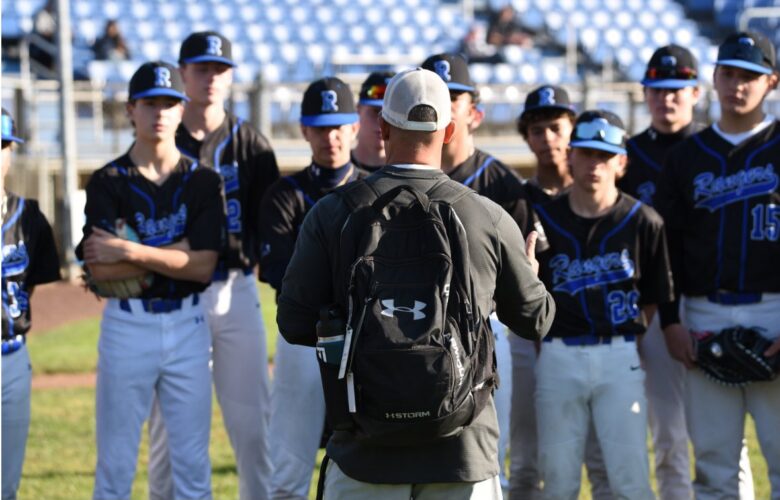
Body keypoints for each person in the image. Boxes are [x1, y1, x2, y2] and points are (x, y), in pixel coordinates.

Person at [277, 67, 554, 498]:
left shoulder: (332, 213)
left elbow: (293, 322)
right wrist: (530, 278)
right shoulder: (488, 215)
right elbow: (536, 320)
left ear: (383, 127)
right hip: (462, 452)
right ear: (448, 131)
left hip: (364, 450)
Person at [145, 31, 280, 500]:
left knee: (253, 424)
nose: (211, 78)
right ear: (183, 74)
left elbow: (272, 223)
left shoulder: (252, 144)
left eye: (220, 69)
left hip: (236, 291)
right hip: (177, 294)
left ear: (230, 78)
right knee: (169, 426)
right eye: (201, 68)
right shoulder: (162, 140)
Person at [79, 61, 223, 500]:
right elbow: (98, 271)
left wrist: (130, 251)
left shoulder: (203, 180)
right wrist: (176, 253)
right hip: (127, 325)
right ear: (129, 109)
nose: (160, 112)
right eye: (149, 103)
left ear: (182, 111)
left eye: (169, 103)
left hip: (188, 326)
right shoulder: (107, 180)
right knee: (116, 465)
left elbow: (204, 267)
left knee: (193, 468)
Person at [657, 31, 780, 499]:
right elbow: (666, 245)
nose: (737, 85)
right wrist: (671, 321)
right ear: (713, 78)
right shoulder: (687, 156)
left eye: (749, 75)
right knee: (712, 465)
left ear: (771, 81)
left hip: (775, 312)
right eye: (728, 73)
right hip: (703, 313)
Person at [533, 110, 673, 500]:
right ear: (570, 156)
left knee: (630, 480)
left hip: (619, 353)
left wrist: (629, 340)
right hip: (559, 355)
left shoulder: (644, 220)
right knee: (558, 481)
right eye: (587, 153)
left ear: (621, 162)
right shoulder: (542, 219)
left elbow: (654, 296)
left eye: (605, 155)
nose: (595, 165)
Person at [422, 51, 524, 491]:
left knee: (481, 453)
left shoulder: (501, 182)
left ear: (474, 113)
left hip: (487, 327)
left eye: (455, 96)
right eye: (436, 94)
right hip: (418, 326)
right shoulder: (403, 177)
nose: (445, 103)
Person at [261, 77, 365, 500]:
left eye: (339, 125)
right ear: (305, 130)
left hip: (365, 338)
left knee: (365, 460)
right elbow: (278, 273)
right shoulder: (285, 194)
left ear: (356, 127)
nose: (331, 136)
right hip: (302, 338)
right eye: (321, 126)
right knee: (288, 467)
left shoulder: (375, 188)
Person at [512, 86, 613, 500]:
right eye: (538, 130)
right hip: (529, 337)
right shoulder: (518, 200)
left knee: (603, 456)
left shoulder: (604, 199)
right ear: (528, 138)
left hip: (593, 337)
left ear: (573, 132)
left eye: (557, 127)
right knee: (526, 460)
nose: (548, 138)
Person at [1, 108, 61, 500]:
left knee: (6, 484)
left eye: (2, 145)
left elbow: (29, 288)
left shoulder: (31, 217)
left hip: (11, 359)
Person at [351, 71, 394, 173]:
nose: (383, 121)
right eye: (376, 111)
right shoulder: (336, 170)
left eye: (392, 113)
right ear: (358, 110)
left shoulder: (410, 172)